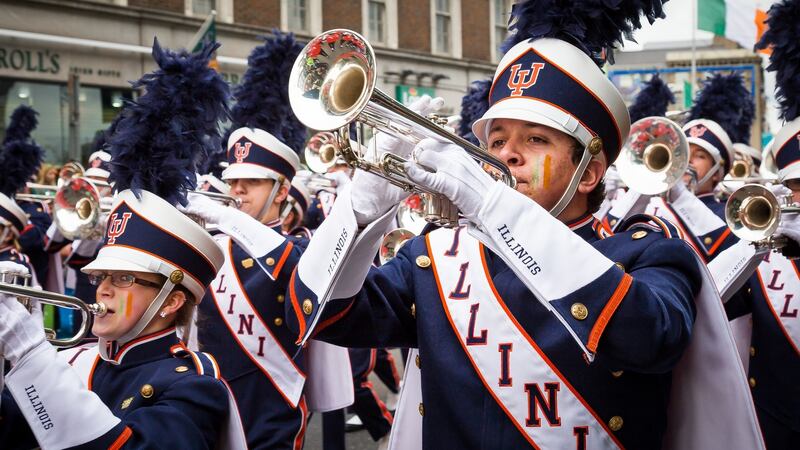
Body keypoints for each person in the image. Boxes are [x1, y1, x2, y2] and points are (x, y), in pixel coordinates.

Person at [284, 5, 763, 448]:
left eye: (535, 139)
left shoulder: (649, 255)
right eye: (496, 140)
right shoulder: (433, 260)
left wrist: (495, 208)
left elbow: (649, 337)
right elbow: (318, 315)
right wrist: (361, 209)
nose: (506, 154)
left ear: (590, 172)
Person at [0, 37, 245, 449]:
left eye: (123, 278)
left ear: (170, 300)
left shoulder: (195, 385)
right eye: (101, 275)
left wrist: (28, 352)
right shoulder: (76, 360)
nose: (104, 288)